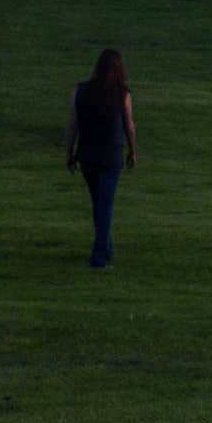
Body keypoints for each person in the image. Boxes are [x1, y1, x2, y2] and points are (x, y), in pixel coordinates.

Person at [64, 47, 138, 269]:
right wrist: (133, 151)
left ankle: (106, 248)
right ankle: (99, 257)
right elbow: (129, 125)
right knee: (104, 206)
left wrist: (69, 153)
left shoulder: (81, 91)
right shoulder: (122, 94)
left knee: (99, 204)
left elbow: (72, 125)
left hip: (87, 156)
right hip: (111, 157)